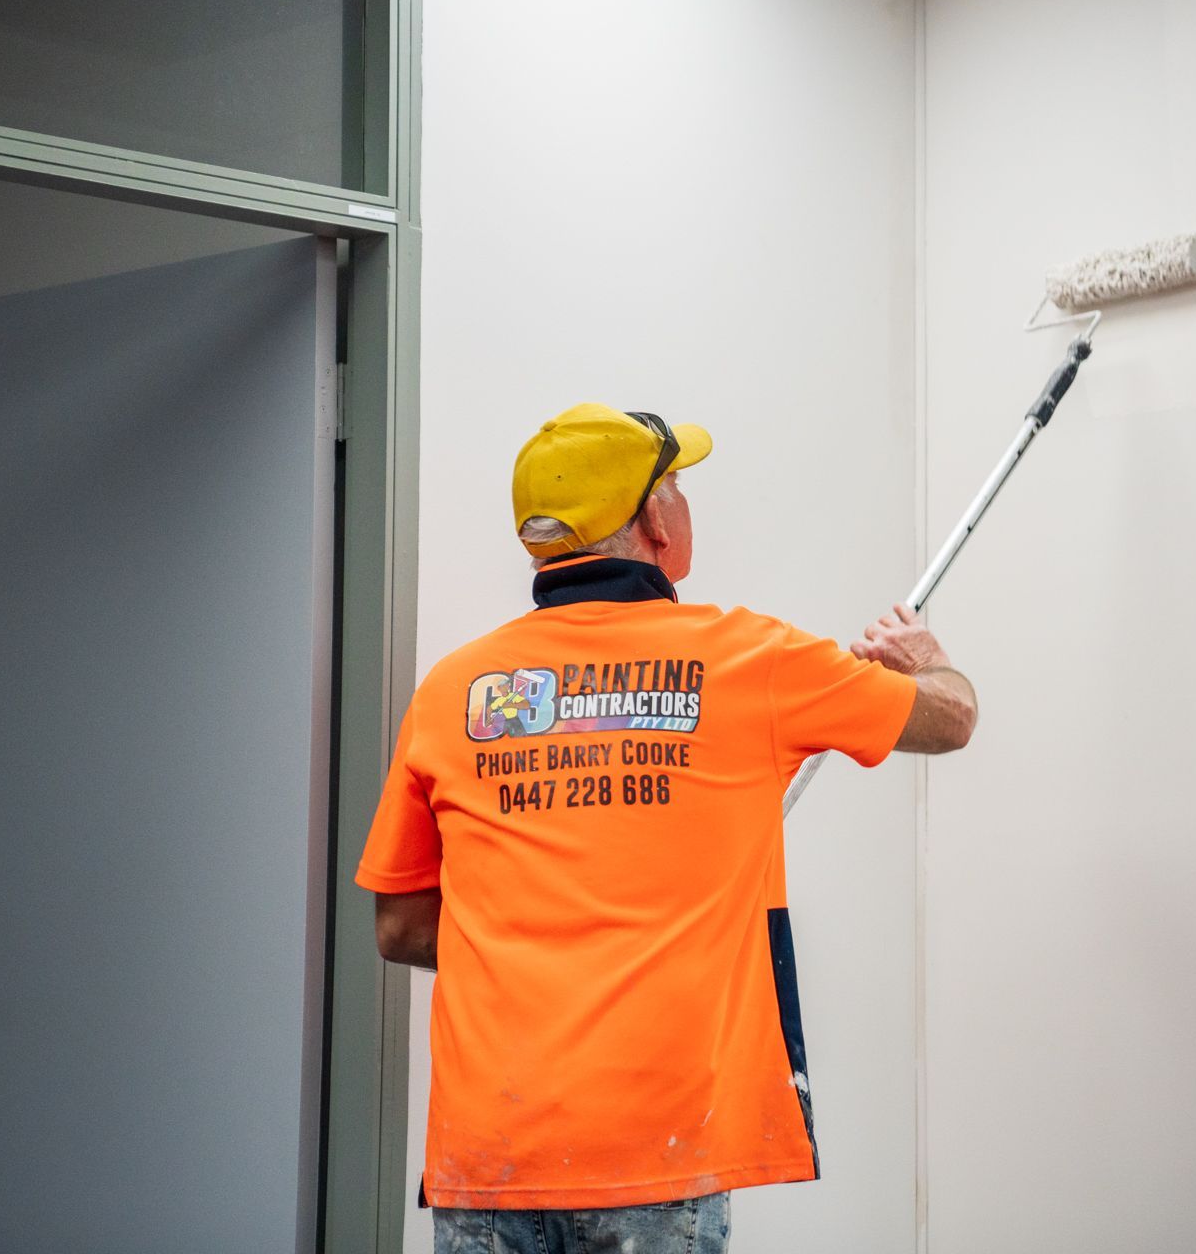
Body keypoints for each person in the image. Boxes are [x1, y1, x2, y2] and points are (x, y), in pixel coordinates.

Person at [355, 403, 977, 1254]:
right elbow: (952, 719)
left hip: (490, 1146)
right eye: (676, 487)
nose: (682, 506)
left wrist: (539, 934)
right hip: (653, 1148)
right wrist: (925, 660)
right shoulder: (752, 659)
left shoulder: (453, 690)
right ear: (655, 519)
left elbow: (399, 927)